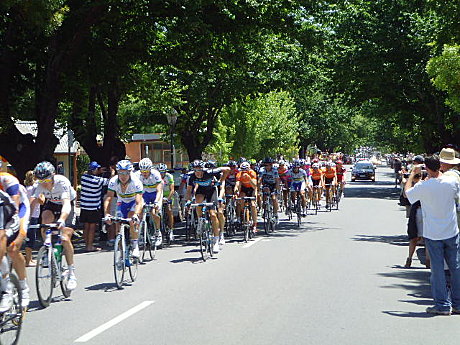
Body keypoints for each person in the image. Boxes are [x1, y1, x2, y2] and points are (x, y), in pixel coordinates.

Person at [405, 155, 460, 315]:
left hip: (433, 233)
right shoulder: (452, 182)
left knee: (437, 270)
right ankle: (457, 303)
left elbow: (407, 194)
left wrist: (412, 175)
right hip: (451, 230)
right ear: (440, 166)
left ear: (427, 168)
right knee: (455, 267)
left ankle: (442, 305)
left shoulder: (425, 186)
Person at [30, 161, 78, 291]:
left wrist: (62, 220)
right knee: (44, 222)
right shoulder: (39, 185)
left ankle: (71, 272)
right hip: (51, 203)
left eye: (46, 179)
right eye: (40, 180)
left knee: (64, 238)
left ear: (52, 176)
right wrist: (26, 221)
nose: (44, 183)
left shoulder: (61, 182)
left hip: (67, 204)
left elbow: (66, 204)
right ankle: (47, 249)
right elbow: (33, 203)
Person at [185, 160, 230, 253]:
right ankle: (200, 219)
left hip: (211, 192)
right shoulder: (191, 176)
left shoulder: (209, 172)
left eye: (199, 170)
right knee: (198, 201)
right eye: (195, 170)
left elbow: (227, 169)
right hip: (201, 191)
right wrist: (188, 201)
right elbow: (189, 191)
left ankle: (216, 240)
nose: (197, 173)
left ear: (203, 169)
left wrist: (220, 181)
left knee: (213, 215)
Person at [105, 160, 144, 257]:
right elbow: (108, 198)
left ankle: (135, 245)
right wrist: (107, 214)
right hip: (121, 202)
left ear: (130, 172)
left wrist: (136, 214)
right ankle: (122, 254)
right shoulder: (113, 181)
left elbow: (139, 202)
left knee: (131, 218)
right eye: (120, 172)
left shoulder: (136, 182)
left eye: (126, 173)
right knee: (118, 224)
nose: (123, 175)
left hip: (133, 202)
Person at [80, 161, 108, 251]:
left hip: (84, 206)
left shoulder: (83, 178)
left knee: (86, 226)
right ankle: (90, 246)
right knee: (92, 227)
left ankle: (86, 244)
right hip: (93, 206)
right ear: (95, 170)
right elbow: (109, 181)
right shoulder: (98, 181)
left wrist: (98, 172)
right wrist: (112, 173)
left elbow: (90, 174)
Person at [134, 158, 163, 247]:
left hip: (155, 193)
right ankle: (141, 233)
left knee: (154, 212)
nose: (144, 173)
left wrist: (156, 202)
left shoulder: (155, 174)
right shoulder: (137, 175)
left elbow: (159, 190)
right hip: (145, 193)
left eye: (146, 171)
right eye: (142, 171)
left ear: (150, 169)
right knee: (139, 212)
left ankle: (158, 232)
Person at [234, 162, 258, 233]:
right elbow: (237, 184)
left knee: (253, 205)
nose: (244, 172)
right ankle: (244, 214)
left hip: (252, 188)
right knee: (241, 199)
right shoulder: (239, 174)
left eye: (246, 170)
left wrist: (249, 179)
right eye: (243, 170)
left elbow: (254, 186)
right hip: (244, 189)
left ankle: (254, 224)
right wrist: (236, 191)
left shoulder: (252, 173)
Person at [24, 171, 39, 266]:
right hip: (33, 215)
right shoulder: (34, 188)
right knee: (31, 238)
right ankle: (28, 260)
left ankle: (30, 258)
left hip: (33, 215)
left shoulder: (26, 188)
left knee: (31, 237)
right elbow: (33, 202)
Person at [258, 157, 280, 224]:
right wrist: (258, 189)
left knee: (274, 198)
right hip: (266, 184)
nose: (266, 167)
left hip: (273, 184)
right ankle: (265, 210)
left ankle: (275, 214)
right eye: (265, 165)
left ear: (271, 165)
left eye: (268, 165)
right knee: (265, 196)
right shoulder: (262, 170)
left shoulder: (274, 170)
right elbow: (260, 180)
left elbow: (277, 181)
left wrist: (277, 190)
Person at [158, 163, 175, 241]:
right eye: (160, 172)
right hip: (159, 195)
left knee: (169, 211)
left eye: (163, 172)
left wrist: (168, 198)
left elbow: (172, 190)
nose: (161, 174)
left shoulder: (169, 177)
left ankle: (171, 230)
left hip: (168, 195)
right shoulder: (156, 177)